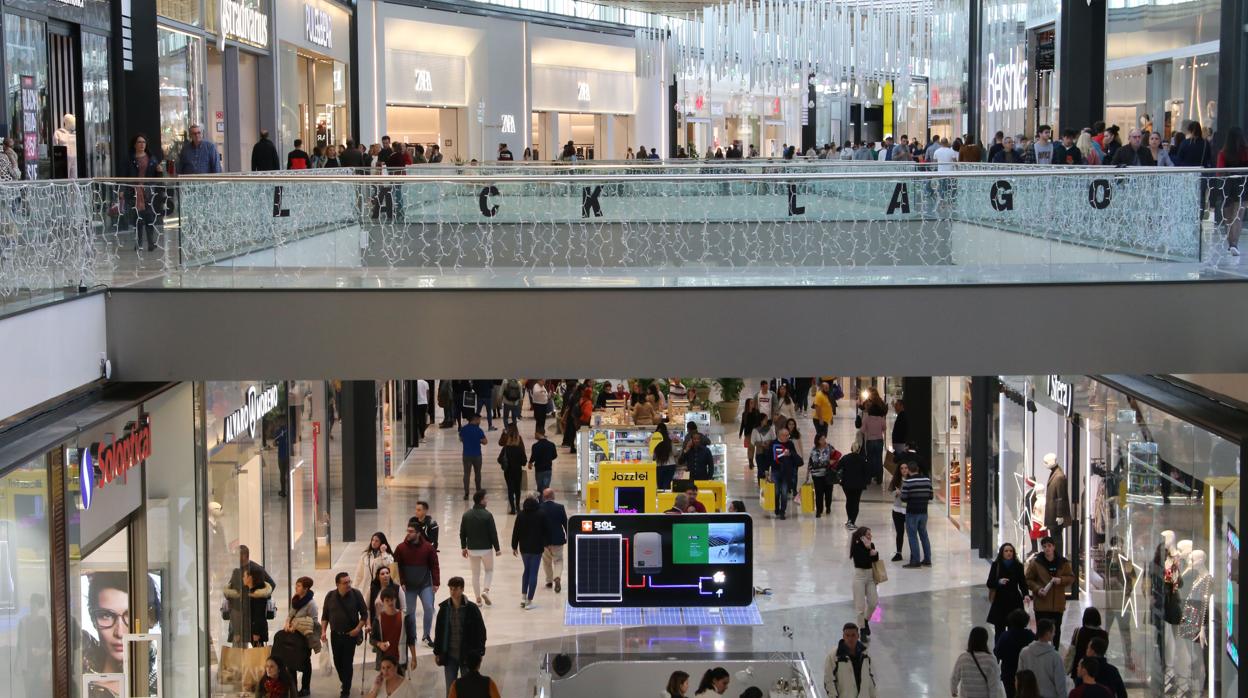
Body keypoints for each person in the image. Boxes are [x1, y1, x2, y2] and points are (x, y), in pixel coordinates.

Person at [432, 576, 487, 696]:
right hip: (450, 655)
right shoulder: (444, 609)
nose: (452, 592)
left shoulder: (472, 609)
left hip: (467, 655)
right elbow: (439, 631)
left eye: (455, 589)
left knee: (468, 690)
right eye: (451, 589)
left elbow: (481, 632)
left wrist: (480, 652)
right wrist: (437, 652)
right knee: (451, 690)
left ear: (462, 589)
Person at [320, 572, 369, 698]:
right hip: (335, 635)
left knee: (347, 662)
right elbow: (325, 616)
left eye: (349, 582)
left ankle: (346, 689)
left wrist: (358, 629)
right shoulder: (330, 596)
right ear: (337, 584)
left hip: (350, 635)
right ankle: (345, 681)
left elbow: (364, 614)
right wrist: (323, 631)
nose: (348, 585)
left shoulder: (356, 594)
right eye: (345, 583)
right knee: (337, 661)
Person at [393, 522, 439, 645]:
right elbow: (395, 567)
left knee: (429, 608)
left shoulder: (428, 548)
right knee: (410, 611)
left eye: (411, 531)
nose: (408, 533)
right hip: (408, 587)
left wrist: (436, 582)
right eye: (407, 531)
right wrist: (399, 583)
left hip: (425, 584)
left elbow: (434, 565)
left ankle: (426, 636)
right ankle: (411, 636)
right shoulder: (400, 548)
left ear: (418, 533)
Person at [1025, 537, 1074, 647]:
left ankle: (1054, 651)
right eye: (1045, 546)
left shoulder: (1063, 562)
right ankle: (1040, 652)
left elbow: (1071, 577)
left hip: (1057, 604)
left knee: (1056, 631)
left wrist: (1061, 580)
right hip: (1042, 604)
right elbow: (1028, 579)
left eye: (1049, 546)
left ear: (1053, 547)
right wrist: (1037, 589)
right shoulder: (1036, 562)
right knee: (1042, 631)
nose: (1047, 548)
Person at [225, 545, 276, 647]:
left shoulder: (256, 570)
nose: (234, 557)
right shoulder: (237, 571)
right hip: (241, 618)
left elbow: (268, 589)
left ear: (244, 555)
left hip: (252, 618)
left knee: (256, 654)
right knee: (240, 654)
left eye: (237, 555)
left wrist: (257, 594)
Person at [120, 133, 163, 251]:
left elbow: (157, 178)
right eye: (139, 142)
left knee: (149, 217)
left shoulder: (152, 158)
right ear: (135, 145)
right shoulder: (130, 159)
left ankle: (151, 242)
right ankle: (138, 243)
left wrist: (159, 171)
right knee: (137, 218)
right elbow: (124, 175)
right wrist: (122, 190)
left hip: (148, 191)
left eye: (143, 142)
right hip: (134, 191)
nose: (142, 144)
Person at [460, 490, 500, 606]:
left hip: (472, 549)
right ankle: (486, 591)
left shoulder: (466, 515)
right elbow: (493, 533)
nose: (487, 501)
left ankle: (477, 599)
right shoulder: (487, 515)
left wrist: (463, 547)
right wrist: (497, 549)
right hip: (486, 549)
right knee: (489, 570)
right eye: (486, 499)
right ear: (481, 500)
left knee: (475, 574)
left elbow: (462, 533)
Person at [282, 577, 319, 695]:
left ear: (306, 588)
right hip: (292, 637)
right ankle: (293, 687)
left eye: (298, 586)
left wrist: (297, 625)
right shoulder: (296, 600)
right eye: (296, 585)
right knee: (291, 662)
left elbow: (312, 622)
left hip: (304, 637)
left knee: (305, 663)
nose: (296, 588)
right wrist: (287, 623)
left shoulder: (311, 604)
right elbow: (290, 615)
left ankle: (305, 688)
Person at [511, 496, 547, 609]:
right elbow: (546, 530)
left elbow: (515, 531)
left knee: (526, 570)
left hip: (524, 548)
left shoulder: (521, 514)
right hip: (537, 548)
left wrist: (514, 546)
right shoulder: (541, 514)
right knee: (533, 573)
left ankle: (523, 597)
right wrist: (547, 543)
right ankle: (530, 601)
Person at [369, 589, 415, 677]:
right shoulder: (378, 619)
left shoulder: (404, 617)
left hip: (400, 660)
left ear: (395, 600)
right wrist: (379, 644)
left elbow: (411, 639)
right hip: (384, 661)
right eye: (387, 600)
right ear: (382, 602)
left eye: (392, 599)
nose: (390, 603)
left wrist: (414, 658)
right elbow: (372, 639)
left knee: (400, 686)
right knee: (385, 687)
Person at [986, 543, 1029, 637]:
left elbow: (1022, 583)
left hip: (1014, 601)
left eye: (1011, 551)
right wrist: (999, 582)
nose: (1009, 553)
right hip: (1000, 600)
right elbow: (989, 583)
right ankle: (999, 650)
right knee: (999, 631)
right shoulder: (996, 565)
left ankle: (1011, 650)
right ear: (1002, 553)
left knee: (1014, 630)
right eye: (1006, 551)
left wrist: (1026, 594)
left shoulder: (1018, 566)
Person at [1216, 125, 1247, 255]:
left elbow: (1219, 172)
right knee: (1238, 216)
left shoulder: (1223, 153)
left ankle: (1230, 244)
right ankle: (1235, 244)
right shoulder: (1246, 152)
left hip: (1227, 187)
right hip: (1243, 186)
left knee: (1228, 218)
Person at [824, 623, 877, 698]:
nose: (850, 639)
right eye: (847, 635)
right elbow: (828, 680)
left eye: (853, 635)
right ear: (843, 636)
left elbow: (869, 678)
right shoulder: (834, 656)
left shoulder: (865, 655)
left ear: (858, 636)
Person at [951, 626, 1005, 698]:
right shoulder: (991, 659)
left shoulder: (963, 658)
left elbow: (954, 677)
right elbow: (994, 685)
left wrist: (954, 691)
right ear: (985, 640)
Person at [1017, 619, 1064, 698]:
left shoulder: (1024, 652)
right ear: (1048, 633)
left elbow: (1019, 678)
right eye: (1053, 632)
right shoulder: (1055, 657)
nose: (1054, 634)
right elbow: (1060, 684)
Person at [995, 610, 1036, 698]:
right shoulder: (1030, 636)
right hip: (1026, 673)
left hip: (1008, 673)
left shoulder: (1005, 636)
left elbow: (998, 653)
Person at [899, 461, 933, 568]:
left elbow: (903, 498)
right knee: (924, 535)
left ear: (909, 470)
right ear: (917, 469)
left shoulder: (908, 482)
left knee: (912, 537)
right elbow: (931, 496)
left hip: (912, 512)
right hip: (924, 512)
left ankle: (916, 561)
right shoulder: (927, 480)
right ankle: (927, 559)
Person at [850, 527, 880, 638]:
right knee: (860, 606)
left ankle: (866, 620)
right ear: (861, 536)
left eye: (870, 534)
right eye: (868, 534)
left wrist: (873, 552)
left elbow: (875, 559)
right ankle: (862, 628)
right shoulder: (856, 547)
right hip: (860, 577)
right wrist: (869, 551)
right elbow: (862, 562)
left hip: (871, 577)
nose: (870, 536)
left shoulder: (871, 545)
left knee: (873, 602)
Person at [1066, 608, 1108, 683]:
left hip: (1080, 669)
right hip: (1097, 669)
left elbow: (1072, 651)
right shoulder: (1103, 634)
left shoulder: (1078, 632)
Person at [769, 427, 802, 520]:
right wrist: (767, 471)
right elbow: (769, 457)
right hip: (775, 471)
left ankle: (782, 511)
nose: (787, 437)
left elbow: (795, 456)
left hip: (786, 472)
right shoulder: (773, 444)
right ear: (779, 435)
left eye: (788, 435)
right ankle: (776, 507)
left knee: (784, 492)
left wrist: (790, 454)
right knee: (776, 492)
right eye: (785, 435)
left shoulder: (790, 444)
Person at [838, 434, 870, 529]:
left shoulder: (845, 458)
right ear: (859, 449)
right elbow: (867, 473)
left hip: (846, 484)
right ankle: (852, 521)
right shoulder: (862, 460)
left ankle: (849, 520)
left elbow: (838, 468)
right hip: (858, 485)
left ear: (851, 448)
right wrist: (865, 482)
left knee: (849, 501)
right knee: (855, 502)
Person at [539, 488, 567, 592]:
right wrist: (568, 535)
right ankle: (557, 577)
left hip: (544, 541)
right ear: (553, 496)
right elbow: (565, 523)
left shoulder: (539, 508)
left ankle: (549, 580)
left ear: (543, 497)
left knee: (546, 561)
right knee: (558, 560)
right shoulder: (560, 507)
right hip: (558, 539)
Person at [355, 532, 395, 599]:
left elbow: (389, 564)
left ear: (382, 542)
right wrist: (354, 588)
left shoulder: (387, 555)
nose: (373, 542)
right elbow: (359, 573)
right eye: (372, 540)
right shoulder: (365, 555)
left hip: (381, 588)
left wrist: (383, 553)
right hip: (367, 588)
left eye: (377, 541)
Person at [857, 394, 887, 484]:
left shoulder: (866, 419)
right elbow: (884, 428)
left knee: (870, 459)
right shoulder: (881, 419)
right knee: (878, 459)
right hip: (879, 441)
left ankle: (868, 479)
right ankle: (879, 479)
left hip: (870, 441)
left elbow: (862, 430)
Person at [497, 424, 526, 514]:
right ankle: (517, 506)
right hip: (517, 471)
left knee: (510, 489)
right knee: (517, 489)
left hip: (508, 471)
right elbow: (524, 461)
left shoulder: (506, 448)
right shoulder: (519, 448)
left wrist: (504, 463)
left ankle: (512, 508)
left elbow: (499, 459)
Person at [808, 432, 837, 518]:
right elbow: (815, 463)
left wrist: (833, 461)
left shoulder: (829, 447)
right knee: (819, 492)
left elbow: (836, 456)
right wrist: (828, 462)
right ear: (818, 441)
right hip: (817, 475)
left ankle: (828, 506)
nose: (824, 441)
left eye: (825, 439)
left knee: (828, 492)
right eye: (822, 439)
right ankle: (819, 510)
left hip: (828, 474)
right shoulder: (814, 450)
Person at [460, 413, 487, 500]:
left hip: (466, 454)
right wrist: (478, 440)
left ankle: (466, 493)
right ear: (475, 420)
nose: (480, 421)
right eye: (479, 420)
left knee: (466, 474)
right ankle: (478, 490)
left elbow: (461, 439)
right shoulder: (479, 430)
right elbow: (485, 441)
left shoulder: (463, 429)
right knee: (477, 473)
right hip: (477, 455)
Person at [886, 462, 908, 561]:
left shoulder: (912, 480)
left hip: (909, 510)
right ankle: (898, 553)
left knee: (911, 533)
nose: (904, 470)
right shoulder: (896, 480)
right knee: (900, 532)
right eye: (902, 468)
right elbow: (890, 492)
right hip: (897, 510)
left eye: (906, 468)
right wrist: (896, 492)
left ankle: (914, 553)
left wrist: (902, 492)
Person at [653, 423, 677, 490]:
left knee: (660, 485)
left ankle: (660, 498)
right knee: (667, 485)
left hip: (659, 465)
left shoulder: (655, 441)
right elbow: (675, 453)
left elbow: (653, 456)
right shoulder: (669, 441)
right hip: (670, 465)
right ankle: (666, 498)